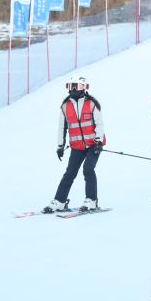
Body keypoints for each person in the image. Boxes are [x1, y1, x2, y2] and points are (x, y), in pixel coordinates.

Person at [44, 76, 105, 213]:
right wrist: (60, 146)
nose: (73, 89)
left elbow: (99, 124)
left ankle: (91, 200)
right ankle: (59, 201)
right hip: (77, 146)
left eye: (76, 86)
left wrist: (99, 141)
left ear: (84, 87)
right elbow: (62, 128)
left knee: (88, 169)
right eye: (70, 85)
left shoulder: (91, 104)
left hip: (93, 145)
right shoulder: (65, 106)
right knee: (70, 173)